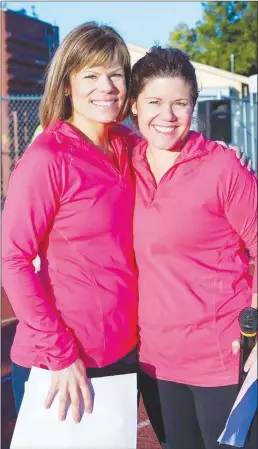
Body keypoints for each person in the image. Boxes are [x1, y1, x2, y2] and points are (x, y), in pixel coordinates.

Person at [2, 22, 139, 423]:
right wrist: (60, 353)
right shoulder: (47, 159)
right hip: (60, 364)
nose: (107, 86)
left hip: (122, 353)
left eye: (115, 74)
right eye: (91, 75)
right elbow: (12, 259)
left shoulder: (128, 145)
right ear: (67, 85)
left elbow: (176, 147)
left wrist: (217, 152)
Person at [130, 46, 257, 449]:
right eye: (154, 102)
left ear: (193, 106)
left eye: (179, 103)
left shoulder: (223, 167)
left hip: (220, 359)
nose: (166, 117)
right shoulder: (122, 162)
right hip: (155, 361)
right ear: (133, 105)